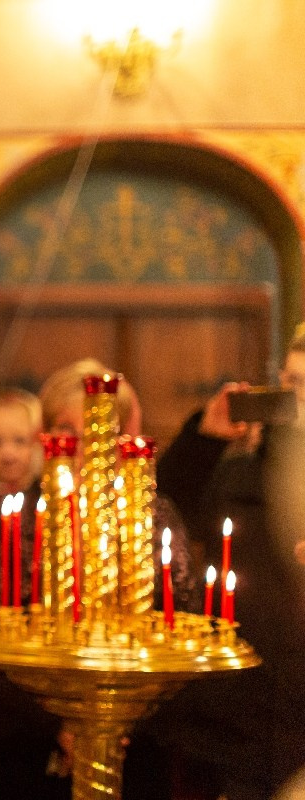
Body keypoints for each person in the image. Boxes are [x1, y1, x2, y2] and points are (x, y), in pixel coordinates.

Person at [0, 360, 197, 800]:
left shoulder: (154, 515)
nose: (80, 444)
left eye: (95, 429)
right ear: (47, 434)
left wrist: (115, 724)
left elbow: (179, 630)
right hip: (26, 741)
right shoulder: (15, 519)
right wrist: (65, 728)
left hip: (138, 743)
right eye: (65, 428)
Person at [154, 326, 305, 800]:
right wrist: (206, 437)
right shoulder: (238, 469)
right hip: (236, 711)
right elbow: (166, 508)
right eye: (290, 381)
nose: (292, 397)